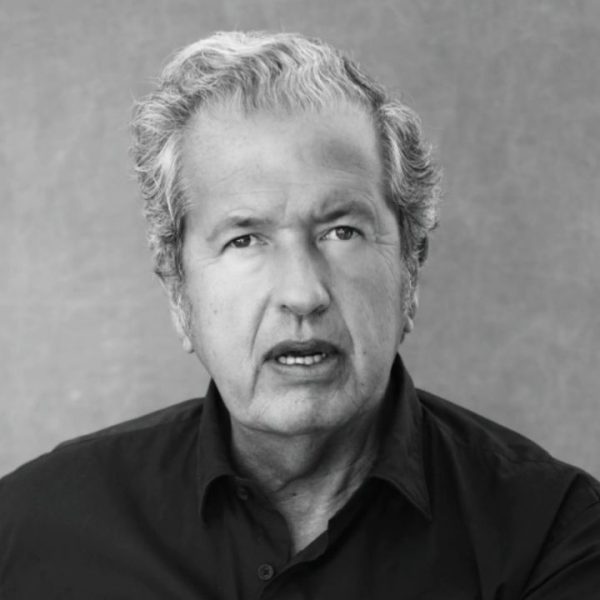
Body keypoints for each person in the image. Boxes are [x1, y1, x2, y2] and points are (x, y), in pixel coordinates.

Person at [1, 31, 599, 599]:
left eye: (342, 231)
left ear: (410, 270)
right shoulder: (33, 529)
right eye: (244, 239)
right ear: (178, 293)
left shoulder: (553, 536)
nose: (303, 293)